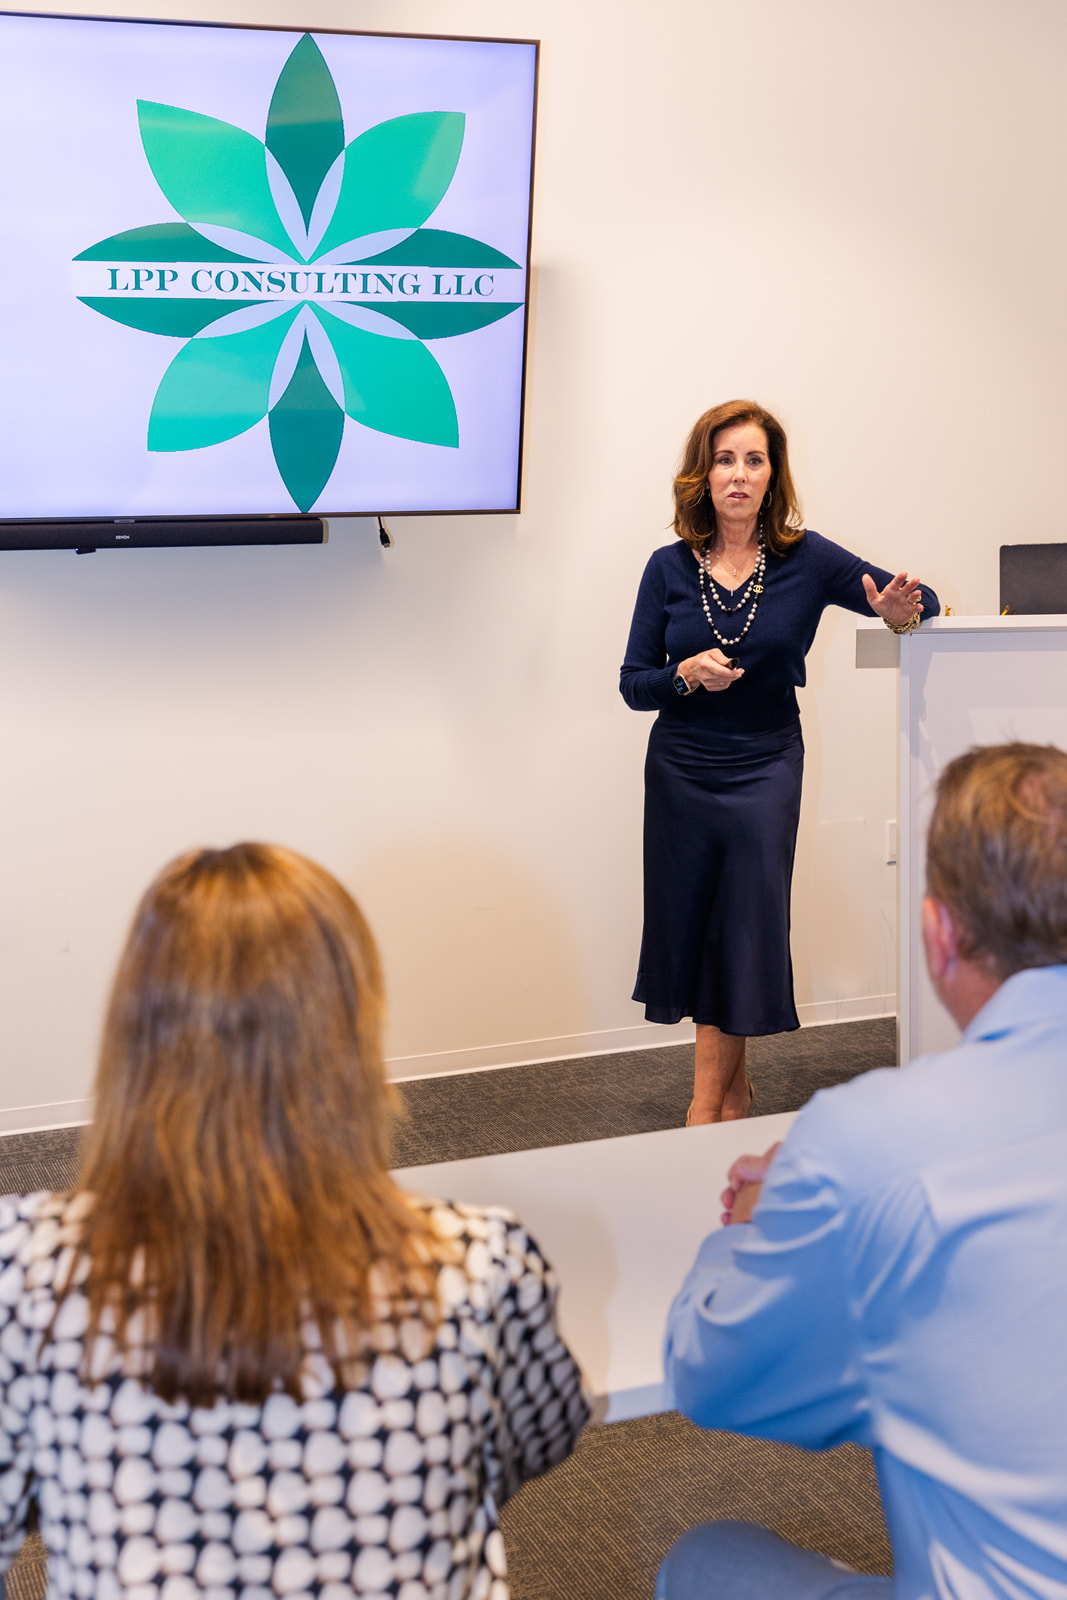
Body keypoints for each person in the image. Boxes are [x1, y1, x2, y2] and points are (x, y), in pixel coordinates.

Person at [0, 843, 589, 1600]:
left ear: (133, 1037)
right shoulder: (478, 1264)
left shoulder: (28, 1275)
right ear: (349, 1031)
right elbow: (533, 1438)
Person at [658, 742, 1067, 1599]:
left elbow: (709, 1371)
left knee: (701, 1560)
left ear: (938, 933)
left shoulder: (864, 1144)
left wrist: (756, 1223)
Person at [620, 399, 939, 1125]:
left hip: (765, 764)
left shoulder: (807, 558)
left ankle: (703, 1105)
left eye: (753, 460)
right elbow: (633, 684)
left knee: (746, 920)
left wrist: (899, 613)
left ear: (772, 475)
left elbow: (917, 602)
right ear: (701, 474)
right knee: (699, 921)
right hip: (681, 767)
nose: (738, 474)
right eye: (724, 459)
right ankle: (730, 1093)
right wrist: (682, 676)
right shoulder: (666, 568)